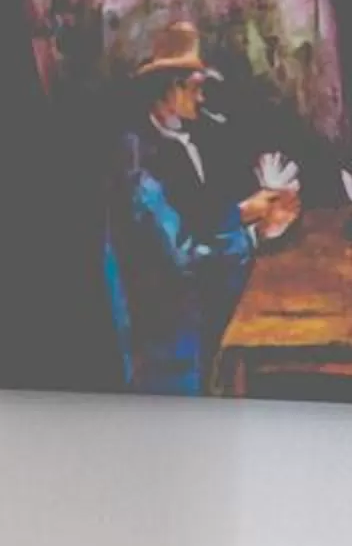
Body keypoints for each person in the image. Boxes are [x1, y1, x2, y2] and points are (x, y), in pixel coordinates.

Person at [103, 23, 299, 396]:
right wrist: (254, 233)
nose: (203, 98)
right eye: (195, 88)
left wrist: (249, 210)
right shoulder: (137, 164)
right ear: (168, 89)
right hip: (167, 340)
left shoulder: (186, 137)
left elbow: (200, 216)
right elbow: (185, 258)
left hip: (202, 312)